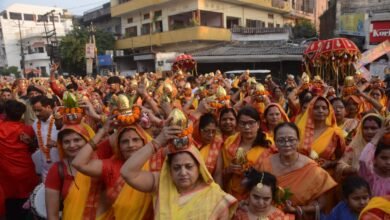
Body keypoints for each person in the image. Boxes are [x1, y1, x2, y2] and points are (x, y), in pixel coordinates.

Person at [120, 110, 237, 219]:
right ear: (169, 169)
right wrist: (157, 142)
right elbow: (127, 172)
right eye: (176, 168)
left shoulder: (216, 198)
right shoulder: (162, 183)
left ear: (199, 167)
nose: (183, 172)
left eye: (189, 166)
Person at [72, 118, 153, 219]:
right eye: (125, 142)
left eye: (136, 140)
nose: (131, 145)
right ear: (119, 146)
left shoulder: (155, 164)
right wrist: (102, 131)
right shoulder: (112, 166)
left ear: (144, 142)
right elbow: (78, 163)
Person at [257, 122, 337, 219]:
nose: (286, 144)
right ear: (275, 142)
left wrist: (296, 210)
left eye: (291, 140)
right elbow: (256, 191)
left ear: (298, 141)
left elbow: (322, 203)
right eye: (281, 140)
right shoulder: (265, 164)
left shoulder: (312, 169)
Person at [45, 122, 101, 220]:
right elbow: (52, 215)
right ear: (61, 145)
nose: (72, 145)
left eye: (77, 140)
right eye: (66, 142)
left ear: (87, 141)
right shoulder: (57, 169)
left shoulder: (101, 164)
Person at [221, 106, 271, 201]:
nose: (247, 127)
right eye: (242, 123)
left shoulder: (269, 145)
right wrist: (229, 170)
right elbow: (219, 173)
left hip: (257, 198)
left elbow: (272, 175)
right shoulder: (229, 142)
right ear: (238, 125)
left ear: (258, 124)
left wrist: (251, 174)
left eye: (251, 123)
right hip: (230, 194)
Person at [0, 100, 39, 220]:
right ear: (22, 114)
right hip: (26, 172)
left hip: (6, 173)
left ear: (5, 113)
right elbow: (33, 149)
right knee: (25, 206)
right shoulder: (28, 130)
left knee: (9, 206)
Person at [297, 96, 345, 171]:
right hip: (300, 171)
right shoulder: (300, 130)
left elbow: (343, 158)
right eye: (316, 108)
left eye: (324, 108)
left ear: (329, 111)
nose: (320, 111)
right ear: (310, 110)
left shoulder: (335, 133)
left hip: (324, 174)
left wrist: (330, 163)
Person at [30, 95, 60, 181]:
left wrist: (56, 144)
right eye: (34, 111)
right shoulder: (35, 124)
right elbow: (38, 144)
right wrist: (30, 141)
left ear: (48, 107)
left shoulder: (59, 122)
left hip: (62, 169)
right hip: (45, 171)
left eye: (39, 110)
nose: (36, 114)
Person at [359, 124, 390, 196]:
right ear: (374, 159)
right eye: (384, 158)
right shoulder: (369, 175)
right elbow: (363, 160)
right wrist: (377, 136)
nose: (388, 162)